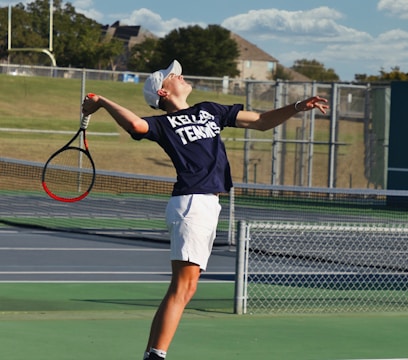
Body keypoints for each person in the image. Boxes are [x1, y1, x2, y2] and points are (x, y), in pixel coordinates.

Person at [81, 59, 329, 360]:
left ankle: (153, 354)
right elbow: (135, 125)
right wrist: (104, 102)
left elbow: (261, 121)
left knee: (186, 288)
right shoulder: (162, 124)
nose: (181, 76)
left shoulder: (209, 110)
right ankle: (155, 356)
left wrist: (298, 106)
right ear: (162, 92)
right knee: (183, 288)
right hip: (191, 203)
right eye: (174, 76)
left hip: (209, 204)